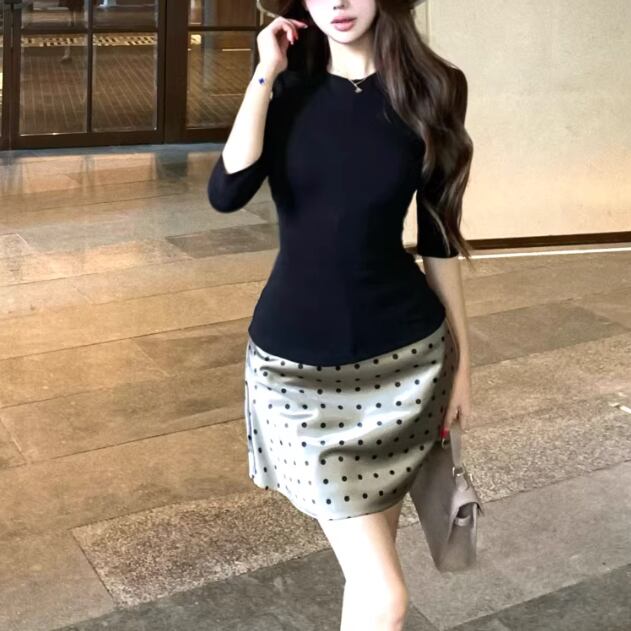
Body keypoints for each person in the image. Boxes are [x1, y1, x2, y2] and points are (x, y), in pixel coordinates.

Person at [207, 1, 473, 629]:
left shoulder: (435, 87)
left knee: (369, 577)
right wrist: (265, 71)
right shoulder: (285, 86)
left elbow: (438, 235)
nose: (338, 3)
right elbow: (226, 191)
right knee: (386, 593)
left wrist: (465, 361)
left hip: (409, 365)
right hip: (295, 374)